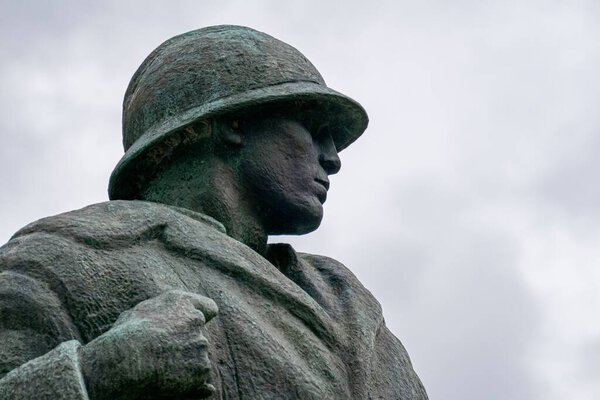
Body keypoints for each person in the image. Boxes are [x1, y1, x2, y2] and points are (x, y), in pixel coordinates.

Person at [0, 25, 428, 399]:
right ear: (233, 124)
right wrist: (96, 373)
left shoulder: (347, 300)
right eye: (315, 131)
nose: (333, 158)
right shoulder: (70, 258)